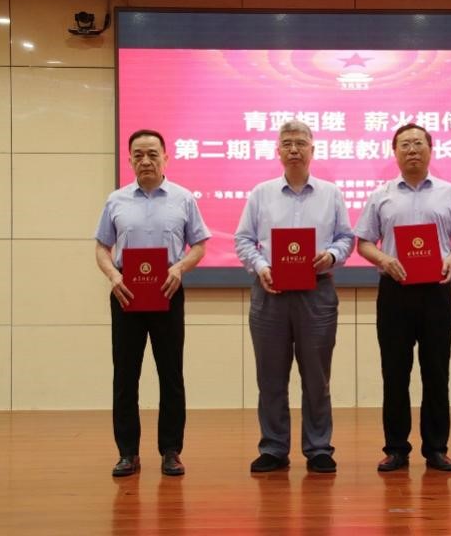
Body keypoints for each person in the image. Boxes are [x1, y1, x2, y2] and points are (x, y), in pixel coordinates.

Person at [355, 123, 451, 473]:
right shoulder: (381, 195)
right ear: (394, 152)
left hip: (436, 290)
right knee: (395, 372)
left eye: (418, 143)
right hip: (395, 291)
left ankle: (436, 448)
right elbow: (363, 242)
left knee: (436, 371)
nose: (412, 150)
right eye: (405, 144)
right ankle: (396, 448)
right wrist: (384, 259)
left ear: (430, 149)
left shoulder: (449, 193)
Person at [235, 119, 354, 474]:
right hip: (270, 292)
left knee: (317, 376)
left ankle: (318, 448)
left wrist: (331, 255)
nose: (294, 149)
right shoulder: (261, 193)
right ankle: (273, 447)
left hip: (317, 293)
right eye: (287, 143)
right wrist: (261, 266)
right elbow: (243, 239)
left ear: (312, 150)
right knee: (270, 376)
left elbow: (346, 238)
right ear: (277, 151)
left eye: (300, 143)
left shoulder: (331, 193)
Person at [95, 129, 210, 477]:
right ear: (130, 159)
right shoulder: (116, 200)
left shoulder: (183, 199)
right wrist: (113, 276)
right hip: (126, 295)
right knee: (125, 376)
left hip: (167, 294)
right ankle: (127, 453)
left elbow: (199, 245)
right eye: (139, 155)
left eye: (152, 154)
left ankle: (171, 451)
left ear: (165, 158)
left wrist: (180, 268)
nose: (146, 160)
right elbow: (102, 247)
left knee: (171, 375)